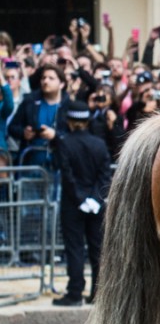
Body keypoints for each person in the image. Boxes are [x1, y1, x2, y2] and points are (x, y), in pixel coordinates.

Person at [49, 102, 112, 306]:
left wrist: (81, 199)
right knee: (96, 249)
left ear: (69, 121)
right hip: (95, 204)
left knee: (75, 248)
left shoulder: (64, 143)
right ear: (86, 121)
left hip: (73, 204)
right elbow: (104, 176)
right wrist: (93, 199)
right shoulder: (99, 144)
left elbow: (67, 176)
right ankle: (97, 293)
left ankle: (75, 292)